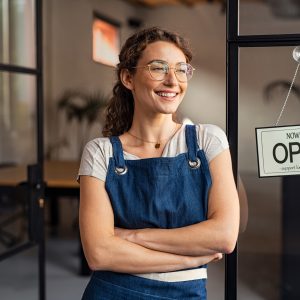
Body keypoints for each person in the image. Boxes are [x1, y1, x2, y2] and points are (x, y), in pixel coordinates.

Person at [78, 26, 240, 300]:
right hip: (112, 292)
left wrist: (131, 237)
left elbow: (224, 236)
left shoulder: (208, 140)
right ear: (128, 77)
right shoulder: (100, 152)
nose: (172, 81)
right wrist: (189, 259)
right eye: (158, 68)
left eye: (181, 69)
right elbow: (99, 253)